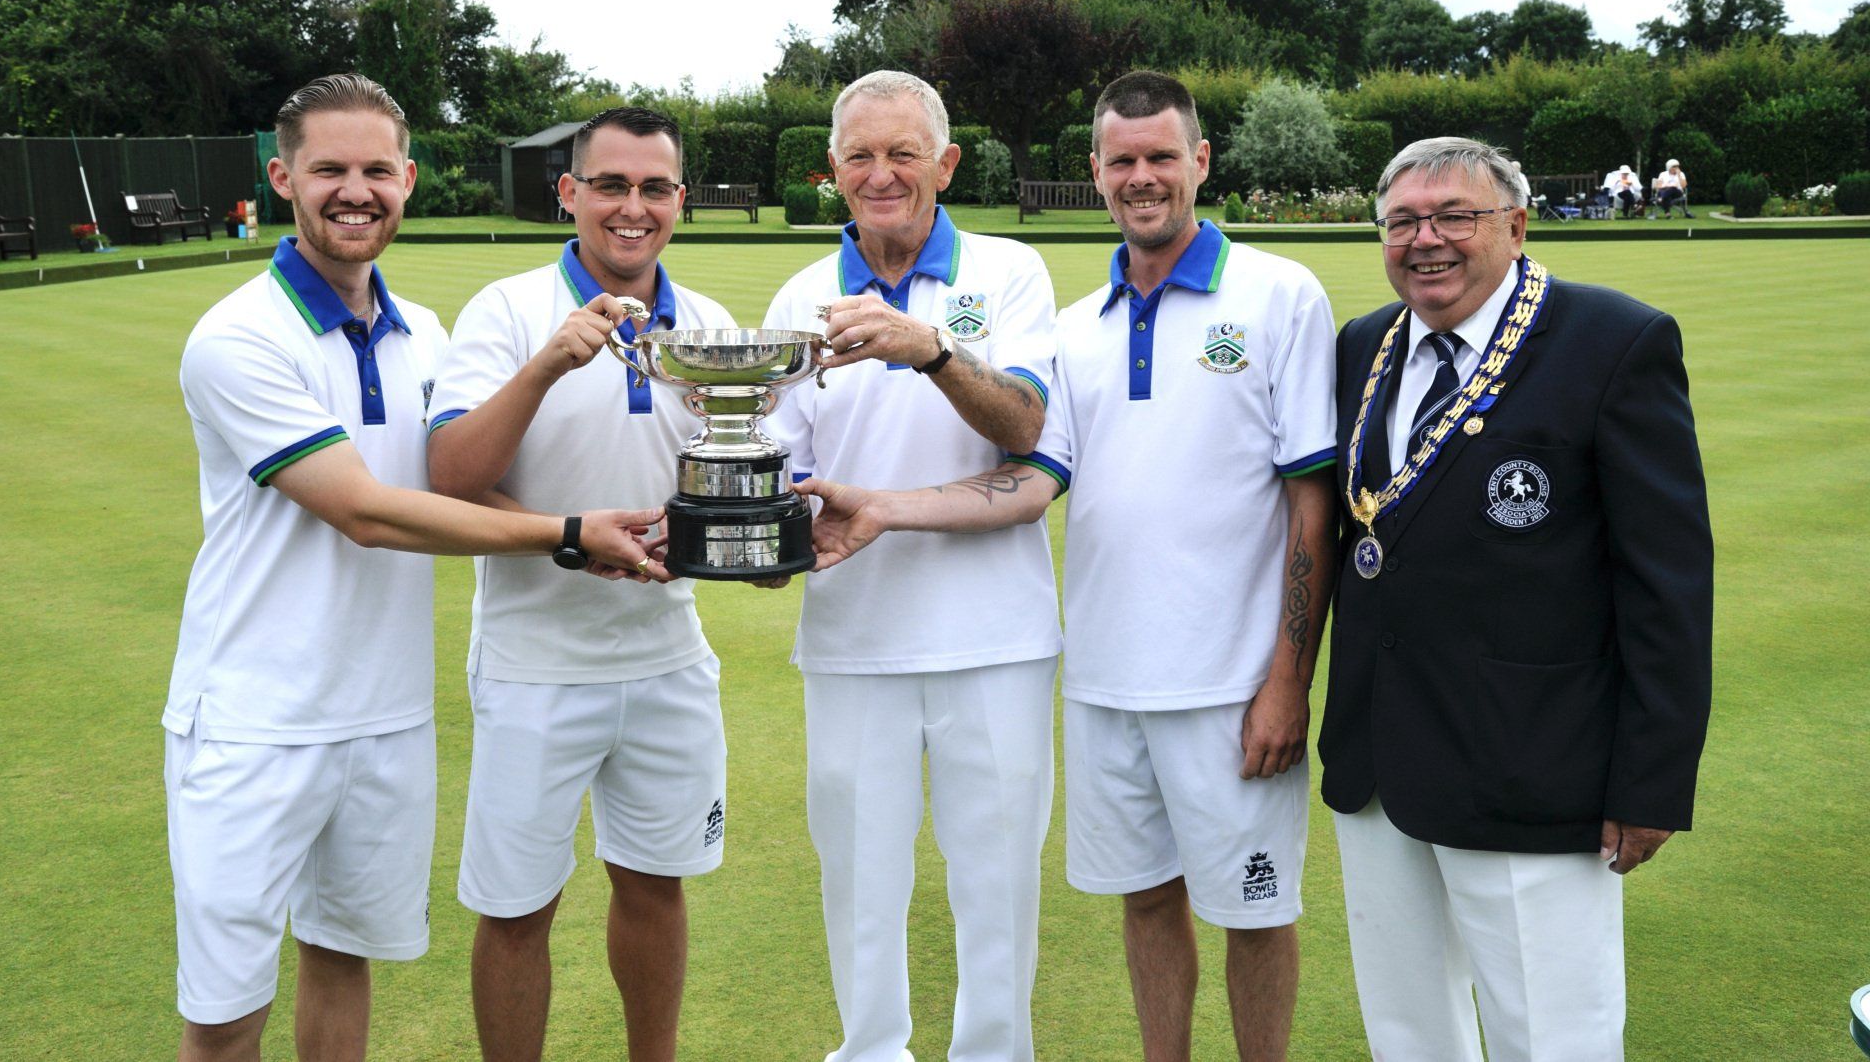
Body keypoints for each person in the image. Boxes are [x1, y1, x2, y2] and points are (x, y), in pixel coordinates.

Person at [799, 70, 1340, 1062]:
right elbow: (1030, 483)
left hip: (1211, 679)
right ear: (1096, 171)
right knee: (1145, 900)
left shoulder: (1273, 293)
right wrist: (869, 511)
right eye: (1122, 161)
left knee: (1251, 912)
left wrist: (1287, 680)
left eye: (1162, 157)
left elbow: (1313, 502)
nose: (1143, 178)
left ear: (1200, 161)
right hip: (1099, 680)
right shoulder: (1080, 326)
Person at [166, 74, 669, 1062]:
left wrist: (581, 535)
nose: (355, 191)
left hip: (388, 719)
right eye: (329, 170)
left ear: (407, 179)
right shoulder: (237, 336)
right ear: (283, 178)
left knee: (341, 963)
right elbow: (363, 510)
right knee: (225, 1022)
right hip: (255, 723)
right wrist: (569, 532)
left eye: (376, 170)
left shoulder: (427, 336)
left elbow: (461, 485)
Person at [1319, 136, 1713, 1060]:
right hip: (1377, 762)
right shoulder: (1363, 344)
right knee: (1408, 1031)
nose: (1426, 240)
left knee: (1553, 1037)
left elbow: (1667, 585)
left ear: (1518, 226)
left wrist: (1652, 782)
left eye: (1455, 216)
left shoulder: (1614, 341)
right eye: (1402, 222)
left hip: (1532, 763)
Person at [761, 69, 1062, 1062]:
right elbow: (782, 467)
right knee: (858, 888)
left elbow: (1026, 428)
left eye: (903, 153)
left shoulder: (1008, 272)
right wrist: (761, 541)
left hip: (996, 640)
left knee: (998, 888)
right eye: (860, 156)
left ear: (947, 163)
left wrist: (926, 349)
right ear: (833, 171)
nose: (881, 174)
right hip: (853, 638)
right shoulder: (801, 297)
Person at [425, 107, 736, 1062]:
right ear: (569, 193)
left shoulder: (711, 326)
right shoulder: (507, 309)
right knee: (518, 908)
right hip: (536, 661)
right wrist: (550, 363)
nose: (632, 207)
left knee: (654, 885)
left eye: (654, 188)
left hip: (667, 654)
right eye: (610, 185)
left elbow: (729, 484)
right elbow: (451, 475)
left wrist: (740, 546)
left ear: (679, 200)